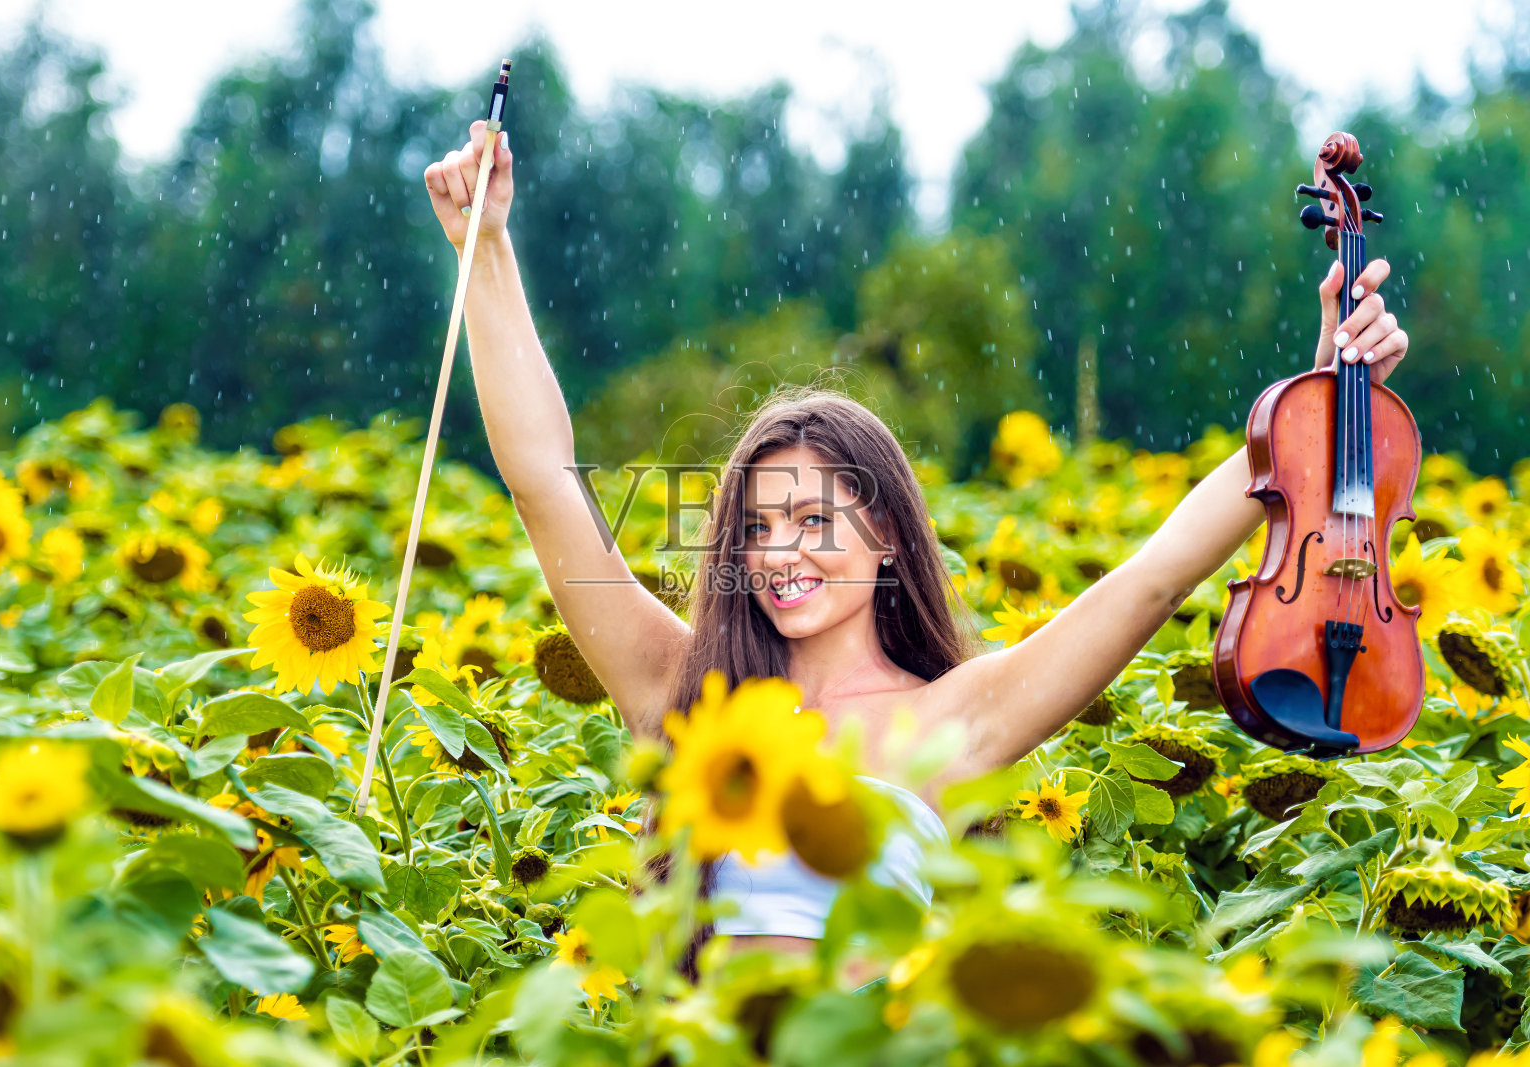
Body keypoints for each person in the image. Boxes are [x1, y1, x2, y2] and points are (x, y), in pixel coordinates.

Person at [422, 120, 1411, 981]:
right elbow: (545, 483)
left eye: (815, 520)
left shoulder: (955, 722)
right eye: (758, 527)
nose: (779, 553)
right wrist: (487, 251)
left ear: (889, 531)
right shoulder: (683, 694)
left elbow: (1153, 577)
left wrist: (1316, 398)